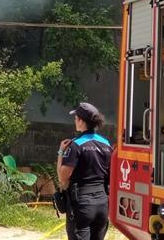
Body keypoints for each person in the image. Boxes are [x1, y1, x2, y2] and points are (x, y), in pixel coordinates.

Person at [57, 102, 112, 240]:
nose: (75, 120)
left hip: (82, 204)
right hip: (102, 203)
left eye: (76, 118)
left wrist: (60, 152)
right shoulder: (106, 144)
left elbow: (63, 178)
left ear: (81, 121)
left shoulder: (76, 145)